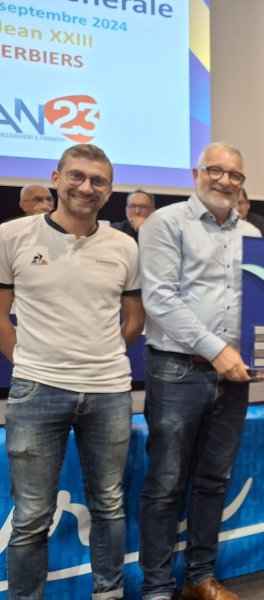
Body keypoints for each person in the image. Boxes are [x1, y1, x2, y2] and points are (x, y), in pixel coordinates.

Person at [0, 144, 144, 599]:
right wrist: (29, 362)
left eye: (98, 180)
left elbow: (134, 320)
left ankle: (108, 593)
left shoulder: (125, 246)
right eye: (76, 176)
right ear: (56, 179)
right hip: (37, 391)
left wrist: (102, 355)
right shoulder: (12, 235)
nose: (86, 187)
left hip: (108, 392)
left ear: (109, 190)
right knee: (31, 516)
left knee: (109, 505)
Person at [137, 142, 264, 600]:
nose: (225, 180)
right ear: (196, 173)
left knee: (214, 481)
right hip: (178, 372)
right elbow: (160, 298)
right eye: (215, 170)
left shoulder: (253, 234)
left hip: (232, 376)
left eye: (235, 175)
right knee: (165, 485)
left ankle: (199, 579)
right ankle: (157, 589)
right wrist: (218, 351)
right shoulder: (165, 223)